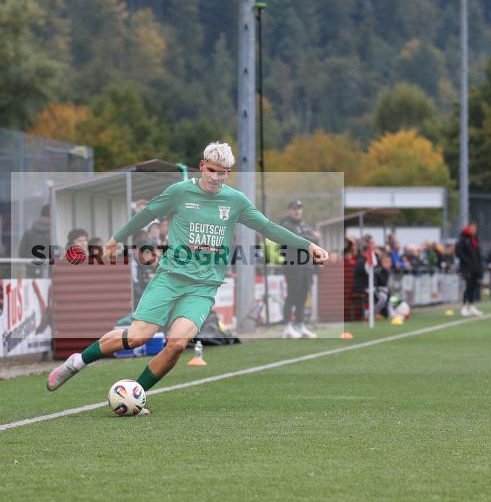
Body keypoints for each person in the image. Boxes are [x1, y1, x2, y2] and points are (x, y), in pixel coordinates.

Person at [46, 142, 329, 410]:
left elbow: (268, 228)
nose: (217, 178)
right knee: (137, 337)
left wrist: (308, 245)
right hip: (169, 277)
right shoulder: (179, 192)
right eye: (212, 171)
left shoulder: (236, 201)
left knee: (177, 344)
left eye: (224, 173)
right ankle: (77, 362)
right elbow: (146, 215)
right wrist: (115, 239)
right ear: (202, 165)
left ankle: (137, 394)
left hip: (202, 288)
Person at [278, 199, 319, 338]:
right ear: (289, 210)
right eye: (294, 208)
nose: (297, 211)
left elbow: (313, 240)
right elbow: (299, 239)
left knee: (302, 296)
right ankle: (287, 327)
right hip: (293, 265)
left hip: (306, 265)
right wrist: (311, 238)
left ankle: (301, 326)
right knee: (292, 295)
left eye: (299, 208)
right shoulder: (285, 224)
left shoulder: (303, 225)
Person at [455, 221, 484, 317]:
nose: (474, 230)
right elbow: (459, 252)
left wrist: (479, 266)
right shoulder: (463, 239)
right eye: (472, 228)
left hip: (475, 268)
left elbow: (478, 254)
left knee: (473, 286)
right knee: (466, 286)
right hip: (464, 268)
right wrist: (468, 262)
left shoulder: (475, 239)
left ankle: (471, 305)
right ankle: (464, 306)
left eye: (475, 228)